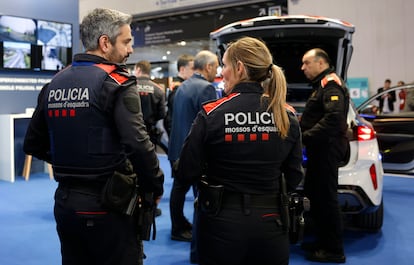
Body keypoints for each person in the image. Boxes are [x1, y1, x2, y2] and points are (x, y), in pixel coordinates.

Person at [23, 8, 164, 265]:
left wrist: (72, 160)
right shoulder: (117, 82)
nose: (130, 50)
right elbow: (138, 144)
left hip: (65, 204)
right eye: (126, 41)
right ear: (105, 42)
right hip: (109, 204)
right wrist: (155, 186)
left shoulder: (54, 83)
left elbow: (33, 143)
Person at [176, 36, 304, 265]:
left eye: (224, 65)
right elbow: (294, 175)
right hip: (271, 222)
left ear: (239, 68)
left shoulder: (212, 113)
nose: (221, 72)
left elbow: (187, 170)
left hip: (220, 222)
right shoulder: (287, 115)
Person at [300, 48, 349, 263]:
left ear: (320, 63)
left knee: (327, 199)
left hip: (326, 151)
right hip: (319, 151)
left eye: (306, 63)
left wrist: (305, 137)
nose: (302, 68)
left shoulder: (330, 85)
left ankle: (333, 250)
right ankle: (321, 241)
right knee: (317, 197)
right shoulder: (320, 86)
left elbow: (334, 119)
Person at [168, 50, 219, 243]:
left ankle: (179, 226)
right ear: (208, 67)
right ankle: (190, 229)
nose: (217, 70)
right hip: (193, 150)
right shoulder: (207, 88)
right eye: (215, 66)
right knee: (200, 190)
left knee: (179, 189)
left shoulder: (184, 85)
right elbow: (210, 124)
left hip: (177, 148)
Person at [134, 60, 167, 153]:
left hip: (132, 133)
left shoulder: (129, 87)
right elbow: (162, 114)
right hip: (150, 134)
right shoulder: (158, 90)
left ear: (138, 69)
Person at [164, 54, 195, 137]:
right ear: (182, 69)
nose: (195, 72)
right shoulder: (178, 88)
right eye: (192, 69)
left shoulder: (183, 86)